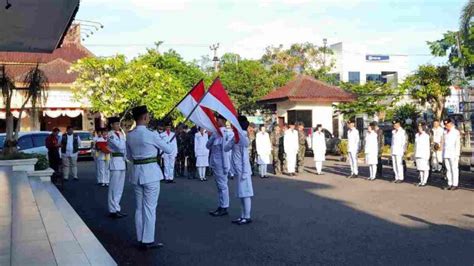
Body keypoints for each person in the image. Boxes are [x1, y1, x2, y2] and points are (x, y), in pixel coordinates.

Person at [126, 105, 172, 250]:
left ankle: (140, 237)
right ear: (145, 117)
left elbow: (128, 156)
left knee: (139, 208)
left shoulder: (130, 135)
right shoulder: (151, 134)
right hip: (151, 174)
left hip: (136, 173)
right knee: (150, 208)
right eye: (148, 116)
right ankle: (148, 240)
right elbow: (169, 149)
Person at [224, 116, 254, 225]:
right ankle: (242, 216)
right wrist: (232, 141)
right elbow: (226, 148)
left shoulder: (242, 137)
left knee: (245, 194)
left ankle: (247, 216)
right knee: (241, 194)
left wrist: (245, 173)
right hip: (238, 171)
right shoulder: (236, 137)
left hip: (243, 171)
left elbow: (245, 157)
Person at [207, 114, 234, 217]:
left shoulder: (224, 133)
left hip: (221, 164)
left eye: (217, 120)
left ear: (222, 121)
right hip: (215, 163)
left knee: (223, 186)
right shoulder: (216, 133)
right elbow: (207, 146)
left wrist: (226, 166)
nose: (216, 121)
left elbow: (224, 152)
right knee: (219, 186)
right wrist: (213, 136)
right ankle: (221, 205)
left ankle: (224, 207)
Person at [107, 117, 127, 218]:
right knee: (113, 188)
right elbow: (120, 146)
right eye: (116, 124)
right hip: (115, 162)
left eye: (119, 124)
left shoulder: (121, 134)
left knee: (120, 188)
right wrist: (125, 143)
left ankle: (117, 207)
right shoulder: (110, 135)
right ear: (111, 125)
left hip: (122, 162)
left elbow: (124, 148)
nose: (118, 126)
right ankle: (112, 209)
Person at [442, 118, 461, 190]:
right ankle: (449, 183)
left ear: (451, 124)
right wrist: (443, 154)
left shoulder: (456, 132)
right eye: (445, 125)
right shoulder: (445, 132)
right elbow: (444, 144)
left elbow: (457, 144)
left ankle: (455, 184)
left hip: (453, 153)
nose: (447, 126)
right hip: (446, 153)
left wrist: (457, 154)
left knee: (454, 169)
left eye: (448, 124)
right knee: (448, 169)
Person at [414, 122, 431, 187]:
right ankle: (421, 181)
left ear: (423, 128)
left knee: (425, 168)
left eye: (420, 127)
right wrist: (414, 154)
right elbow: (415, 145)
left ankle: (424, 181)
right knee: (420, 168)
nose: (419, 128)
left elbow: (427, 146)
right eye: (418, 127)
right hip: (418, 153)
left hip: (424, 154)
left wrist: (428, 155)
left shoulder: (426, 136)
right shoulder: (416, 135)